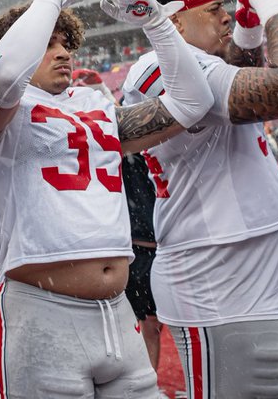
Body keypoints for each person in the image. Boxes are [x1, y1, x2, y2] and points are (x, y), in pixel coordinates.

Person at [0, 0, 215, 398]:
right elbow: (6, 77)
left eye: (67, 44)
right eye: (49, 43)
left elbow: (193, 103)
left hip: (118, 312)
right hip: (43, 310)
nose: (63, 53)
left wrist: (157, 24)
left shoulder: (94, 104)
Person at [123, 0, 278, 397]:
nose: (225, 16)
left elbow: (235, 76)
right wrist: (271, 2)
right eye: (212, 9)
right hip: (217, 277)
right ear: (173, 21)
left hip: (263, 269)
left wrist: (247, 36)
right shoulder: (159, 68)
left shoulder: (201, 63)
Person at [121, 150, 165, 389]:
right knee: (134, 323)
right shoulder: (124, 146)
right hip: (134, 245)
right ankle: (140, 385)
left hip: (161, 243)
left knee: (153, 324)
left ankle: (149, 386)